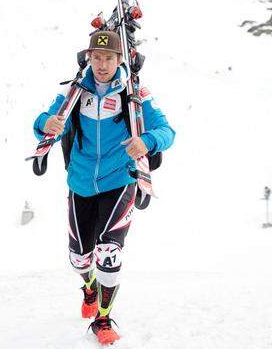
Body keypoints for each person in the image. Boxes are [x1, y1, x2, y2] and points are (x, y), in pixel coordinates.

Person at [32, 31, 175, 345]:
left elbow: (167, 131)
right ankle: (88, 287)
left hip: (118, 180)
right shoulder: (74, 92)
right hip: (81, 182)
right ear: (89, 58)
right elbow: (47, 122)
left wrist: (146, 141)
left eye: (109, 58)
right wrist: (47, 124)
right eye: (96, 57)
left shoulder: (134, 95)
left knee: (108, 251)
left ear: (119, 59)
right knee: (79, 259)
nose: (102, 64)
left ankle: (103, 318)